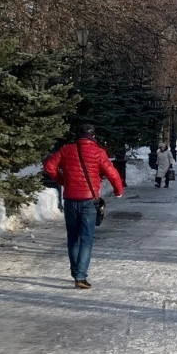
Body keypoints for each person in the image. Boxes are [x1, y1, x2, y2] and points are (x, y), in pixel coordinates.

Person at [42, 123, 124, 288]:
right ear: (93, 136)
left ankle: (76, 273)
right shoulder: (98, 152)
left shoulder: (66, 149)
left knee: (73, 238)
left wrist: (61, 180)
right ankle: (80, 276)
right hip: (88, 201)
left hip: (70, 200)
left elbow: (49, 166)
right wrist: (118, 191)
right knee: (86, 239)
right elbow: (112, 173)